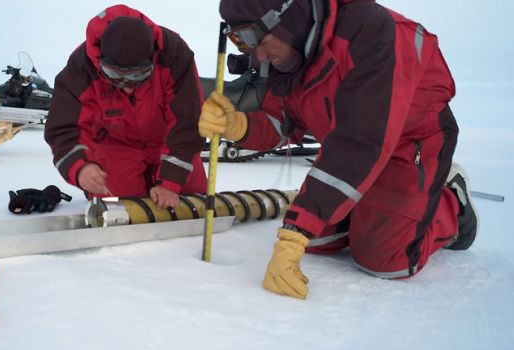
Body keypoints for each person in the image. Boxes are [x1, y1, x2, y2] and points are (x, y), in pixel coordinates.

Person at [199, 0, 478, 299]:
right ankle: (369, 210)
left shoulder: (371, 32)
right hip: (349, 147)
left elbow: (359, 142)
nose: (260, 55)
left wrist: (295, 234)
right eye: (244, 44)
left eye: (260, 41)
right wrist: (238, 125)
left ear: (287, 18)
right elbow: (283, 122)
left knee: (386, 260)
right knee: (317, 240)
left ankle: (450, 199)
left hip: (411, 143)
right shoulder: (290, 53)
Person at [45, 5, 207, 209]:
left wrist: (170, 183)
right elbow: (64, 128)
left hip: (168, 142)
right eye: (114, 75)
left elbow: (188, 121)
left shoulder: (174, 54)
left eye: (138, 76)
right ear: (100, 61)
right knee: (114, 205)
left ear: (152, 59)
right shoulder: (81, 67)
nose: (127, 89)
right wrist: (80, 167)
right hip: (115, 145)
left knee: (193, 201)